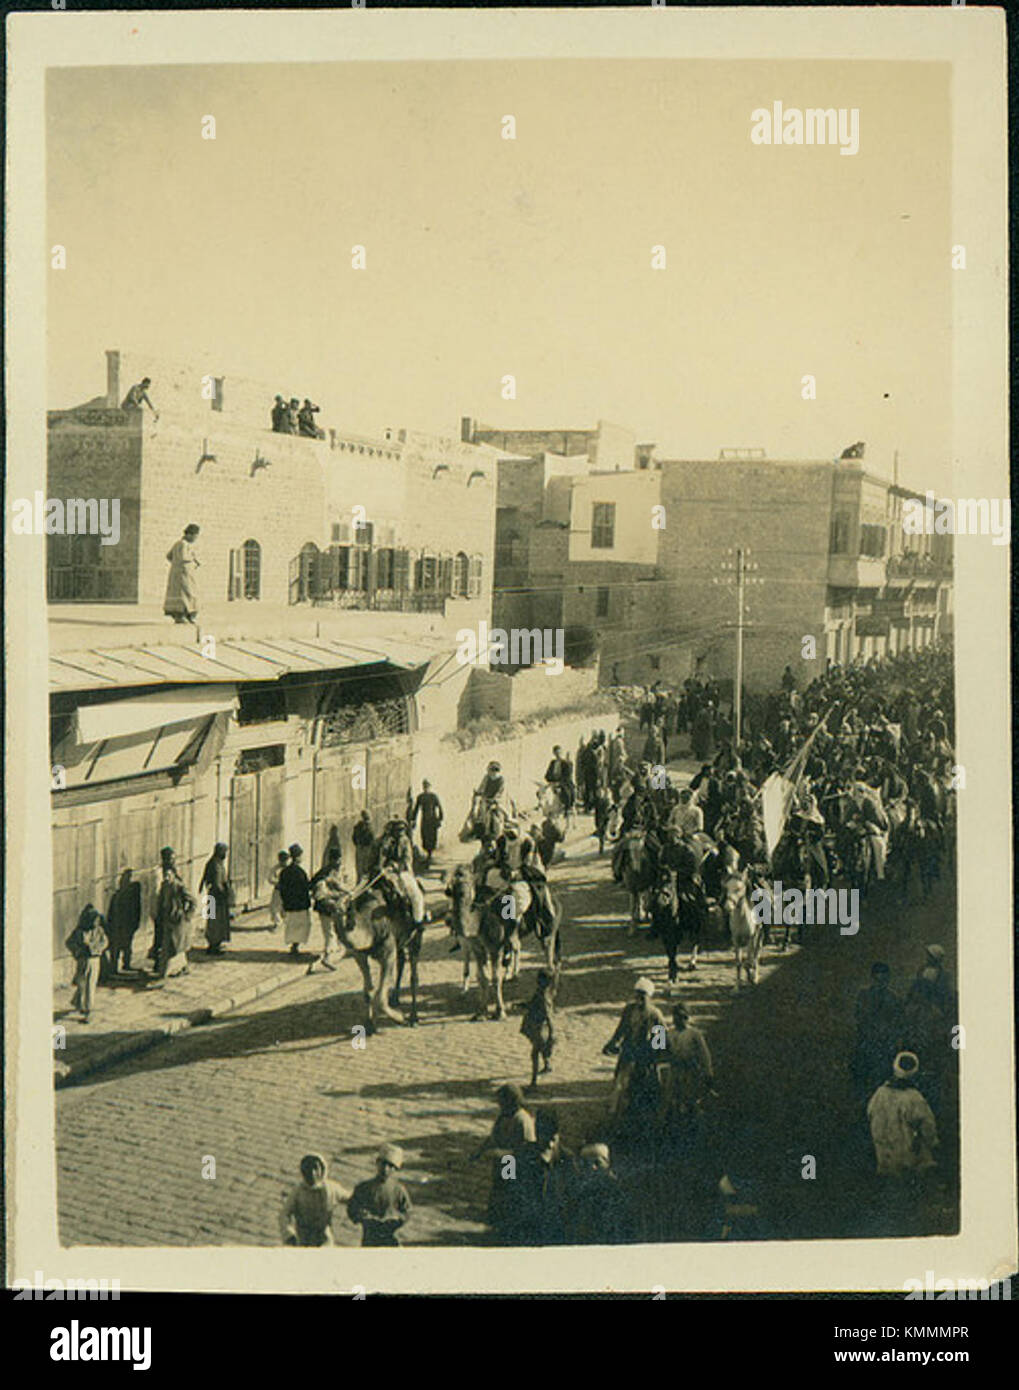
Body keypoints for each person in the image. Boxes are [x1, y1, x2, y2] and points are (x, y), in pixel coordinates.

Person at [471, 1083, 536, 1240]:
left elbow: (528, 1149)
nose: (499, 1105)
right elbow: (493, 1137)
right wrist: (479, 1152)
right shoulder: (504, 1116)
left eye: (501, 1101)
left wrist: (503, 1154)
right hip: (504, 1161)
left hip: (512, 1163)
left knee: (508, 1192)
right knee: (499, 1190)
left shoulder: (522, 1120)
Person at [602, 978, 667, 1122]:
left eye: (642, 996)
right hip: (628, 1054)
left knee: (644, 1088)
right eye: (636, 995)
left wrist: (654, 1057)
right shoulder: (629, 1010)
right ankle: (616, 1117)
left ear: (649, 997)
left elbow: (660, 1042)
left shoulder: (654, 1015)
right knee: (620, 1086)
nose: (638, 1000)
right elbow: (621, 1029)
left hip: (644, 1058)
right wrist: (612, 1043)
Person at [867, 1051, 939, 1179]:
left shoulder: (880, 1094)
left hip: (884, 1154)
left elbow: (870, 1114)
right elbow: (928, 1127)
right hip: (909, 1158)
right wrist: (932, 1143)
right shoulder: (914, 1098)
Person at [851, 962, 904, 1103]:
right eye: (878, 979)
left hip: (884, 1046)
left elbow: (898, 1023)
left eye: (884, 980)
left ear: (888, 979)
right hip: (868, 1043)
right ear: (873, 978)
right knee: (863, 1077)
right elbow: (859, 1017)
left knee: (882, 1079)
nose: (881, 983)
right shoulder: (864, 995)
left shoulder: (894, 998)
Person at [659, 1002, 715, 1128]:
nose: (679, 1020)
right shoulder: (669, 1034)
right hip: (674, 1071)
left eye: (683, 1017)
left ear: (688, 1018)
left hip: (690, 1071)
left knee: (690, 1100)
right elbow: (660, 1052)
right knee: (671, 1100)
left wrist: (708, 1073)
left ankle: (693, 1126)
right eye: (676, 1017)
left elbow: (705, 1055)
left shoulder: (694, 1034)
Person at [567, 1143, 635, 1245]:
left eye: (597, 1162)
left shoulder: (617, 1190)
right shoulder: (579, 1190)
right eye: (586, 1164)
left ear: (607, 1163)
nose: (592, 1167)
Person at [279, 1153, 351, 1247]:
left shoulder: (331, 1189)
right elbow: (284, 1214)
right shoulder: (298, 1192)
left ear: (322, 1170)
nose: (312, 1173)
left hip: (323, 1237)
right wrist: (289, 1234)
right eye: (307, 1169)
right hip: (303, 1238)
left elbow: (350, 1199)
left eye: (316, 1168)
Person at [346, 1145, 412, 1247]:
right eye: (383, 1164)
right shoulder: (364, 1188)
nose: (385, 1169)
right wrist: (362, 1215)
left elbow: (407, 1211)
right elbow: (352, 1208)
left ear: (396, 1169)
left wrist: (397, 1219)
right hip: (370, 1237)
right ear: (377, 1163)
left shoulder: (399, 1190)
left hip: (391, 1237)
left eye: (390, 1166)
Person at [150, 846, 196, 979]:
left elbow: (188, 897)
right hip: (162, 912)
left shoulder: (175, 879)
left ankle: (173, 967)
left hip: (174, 915)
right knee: (163, 940)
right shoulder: (159, 873)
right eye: (170, 858)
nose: (172, 861)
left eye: (173, 858)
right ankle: (161, 965)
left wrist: (186, 915)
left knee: (174, 942)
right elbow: (156, 893)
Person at [66, 905, 108, 1022]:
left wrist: (98, 948)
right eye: (94, 920)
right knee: (81, 983)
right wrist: (77, 951)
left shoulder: (99, 931)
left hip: (95, 960)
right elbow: (69, 943)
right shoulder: (79, 931)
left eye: (97, 920)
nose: (96, 922)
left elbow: (105, 942)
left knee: (90, 985)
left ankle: (88, 1011)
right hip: (83, 960)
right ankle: (78, 1001)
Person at [520, 968, 556, 1091]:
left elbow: (548, 1016)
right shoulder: (545, 993)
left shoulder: (543, 997)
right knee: (543, 1049)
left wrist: (552, 1033)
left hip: (540, 1028)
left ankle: (534, 1082)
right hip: (540, 1027)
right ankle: (547, 1065)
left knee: (534, 1053)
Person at [308, 847, 343, 972]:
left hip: (331, 905)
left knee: (333, 931)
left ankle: (332, 954)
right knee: (330, 932)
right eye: (337, 859)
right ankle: (327, 958)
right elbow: (320, 890)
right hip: (327, 905)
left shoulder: (329, 871)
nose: (338, 862)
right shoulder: (326, 874)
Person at [277, 843, 312, 956]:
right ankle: (295, 946)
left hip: (289, 903)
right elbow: (305, 888)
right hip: (300, 904)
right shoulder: (300, 872)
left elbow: (282, 888)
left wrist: (284, 901)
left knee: (291, 925)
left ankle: (294, 945)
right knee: (300, 925)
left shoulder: (285, 872)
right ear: (297, 857)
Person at [105, 868, 142, 974]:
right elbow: (111, 912)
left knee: (126, 945)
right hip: (118, 925)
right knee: (117, 946)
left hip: (126, 925)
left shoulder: (132, 896)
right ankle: (115, 967)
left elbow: (136, 912)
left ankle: (125, 964)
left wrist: (135, 924)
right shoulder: (117, 896)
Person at [163, 524, 201, 625]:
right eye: (195, 536)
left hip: (181, 573)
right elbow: (183, 557)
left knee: (185, 593)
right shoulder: (183, 544)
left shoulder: (178, 544)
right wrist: (193, 559)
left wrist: (175, 564)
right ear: (190, 534)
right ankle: (182, 615)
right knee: (186, 593)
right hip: (183, 573)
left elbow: (169, 556)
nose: (195, 539)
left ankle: (186, 615)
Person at [199, 842, 232, 955]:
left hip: (217, 895)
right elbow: (216, 882)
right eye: (225, 852)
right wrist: (223, 893)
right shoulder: (215, 864)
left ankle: (216, 943)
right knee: (214, 920)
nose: (226, 854)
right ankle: (213, 944)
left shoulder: (217, 863)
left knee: (218, 919)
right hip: (215, 896)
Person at [410, 780, 444, 871]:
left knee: (432, 838)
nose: (426, 788)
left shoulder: (434, 797)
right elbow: (416, 809)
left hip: (433, 821)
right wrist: (413, 820)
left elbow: (440, 808)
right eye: (424, 787)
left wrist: (440, 819)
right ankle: (428, 855)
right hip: (424, 821)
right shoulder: (420, 797)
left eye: (427, 787)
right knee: (424, 837)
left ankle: (430, 856)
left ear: (430, 787)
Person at [351, 811, 377, 882]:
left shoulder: (360, 826)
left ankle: (361, 882)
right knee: (362, 867)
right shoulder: (363, 826)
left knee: (362, 868)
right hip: (364, 848)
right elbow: (372, 838)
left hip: (363, 848)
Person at [268, 850, 289, 931]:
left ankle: (286, 922)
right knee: (275, 907)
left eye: (285, 860)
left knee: (287, 907)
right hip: (278, 890)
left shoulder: (289, 868)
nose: (283, 862)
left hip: (288, 891)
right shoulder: (276, 868)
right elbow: (270, 878)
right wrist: (278, 882)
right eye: (282, 860)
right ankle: (278, 923)